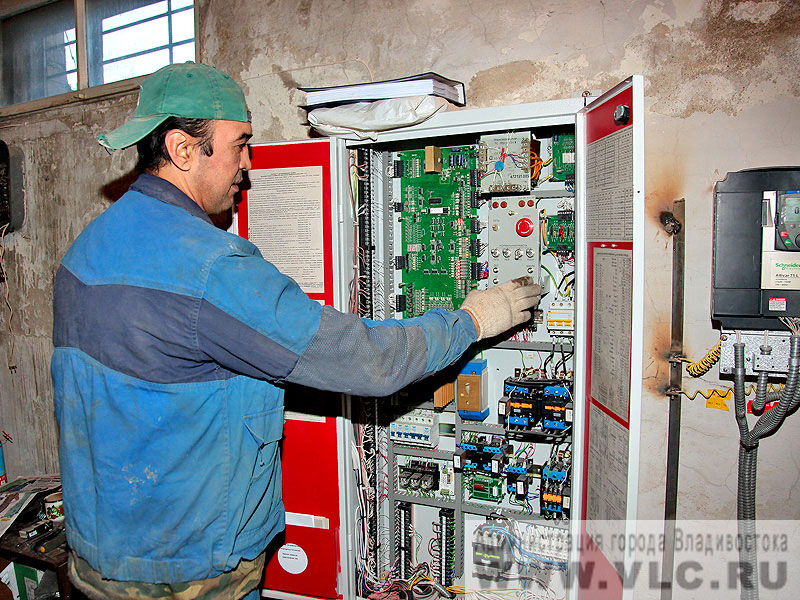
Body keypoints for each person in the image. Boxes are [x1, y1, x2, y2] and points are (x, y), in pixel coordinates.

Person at [51, 62, 542, 600]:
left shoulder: (87, 249)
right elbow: (369, 361)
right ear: (183, 149)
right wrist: (471, 320)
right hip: (185, 573)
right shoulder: (210, 268)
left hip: (100, 555)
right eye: (239, 145)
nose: (247, 165)